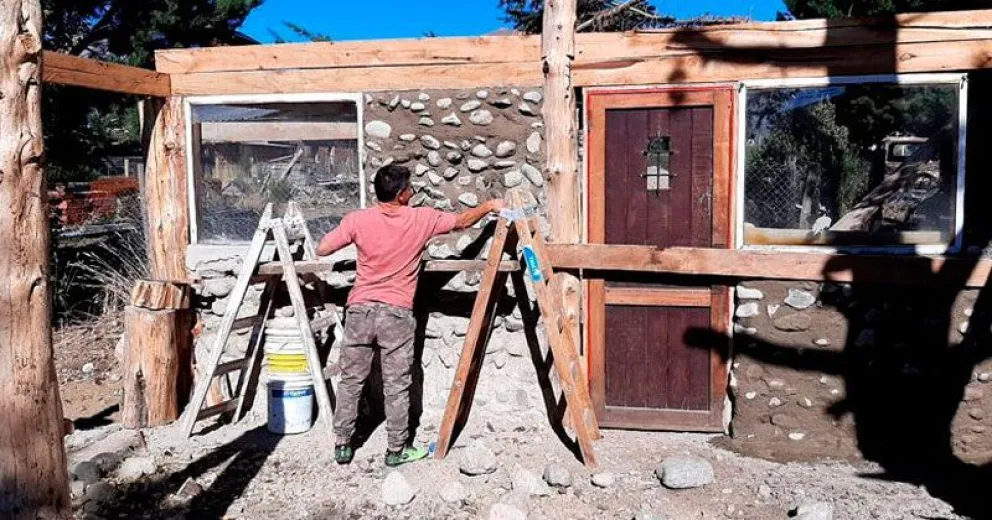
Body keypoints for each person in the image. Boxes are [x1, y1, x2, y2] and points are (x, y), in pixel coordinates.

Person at [316, 164, 505, 467]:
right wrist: (490, 206)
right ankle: (396, 449)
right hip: (396, 313)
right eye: (411, 188)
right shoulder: (422, 219)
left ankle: (343, 444)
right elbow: (461, 222)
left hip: (360, 310)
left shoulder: (358, 220)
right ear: (402, 195)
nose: (414, 191)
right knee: (397, 383)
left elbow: (323, 248)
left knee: (351, 380)